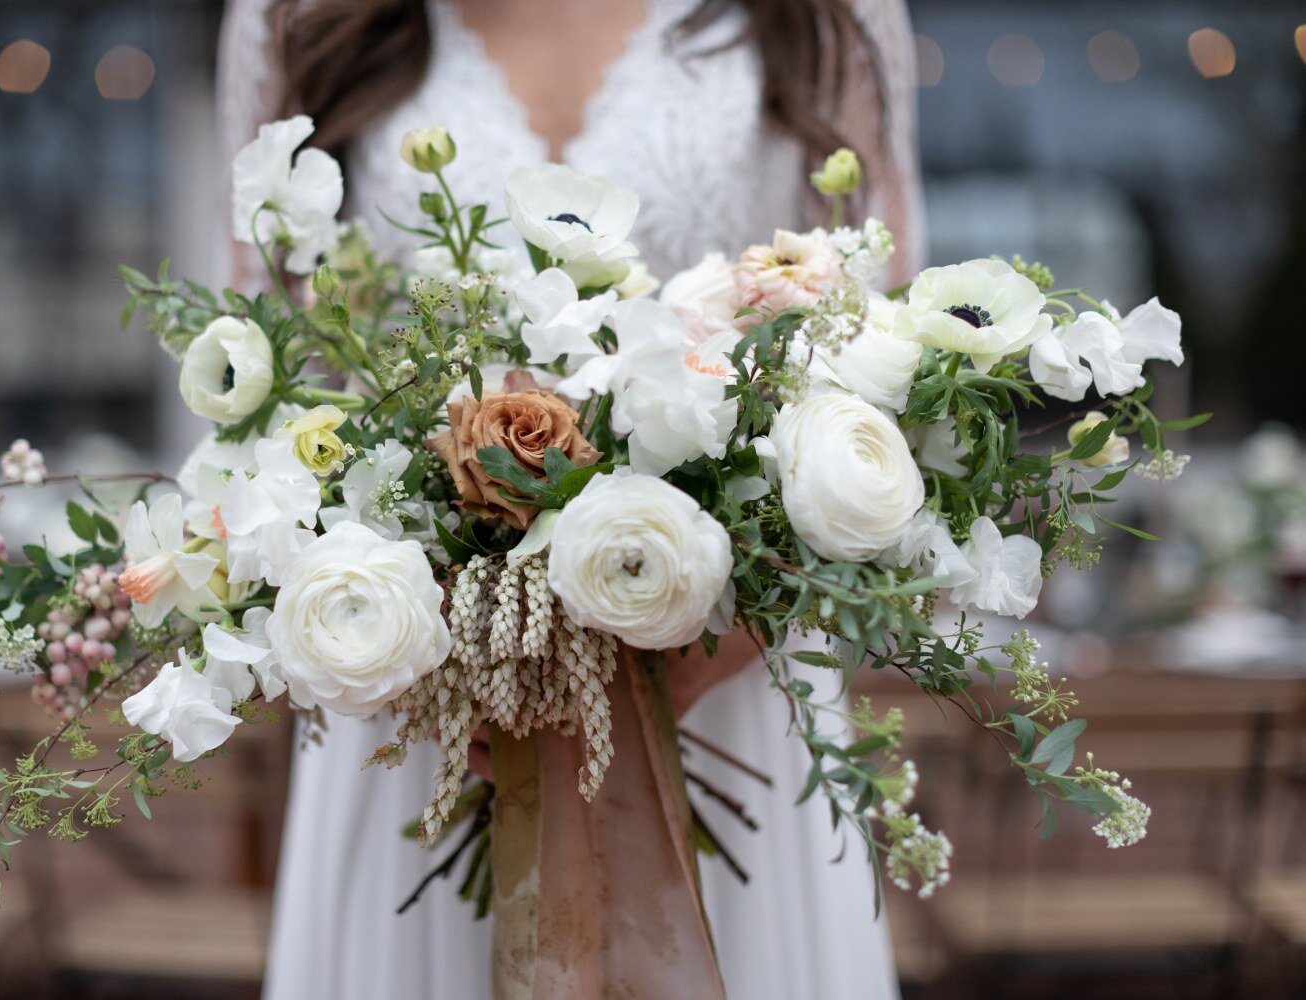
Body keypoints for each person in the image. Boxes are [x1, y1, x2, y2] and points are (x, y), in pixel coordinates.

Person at [217, 0, 922, 995]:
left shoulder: (834, 16)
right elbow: (257, 371)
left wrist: (720, 628)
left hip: (731, 674)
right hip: (413, 696)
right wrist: (423, 660)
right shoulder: (294, 16)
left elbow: (884, 348)